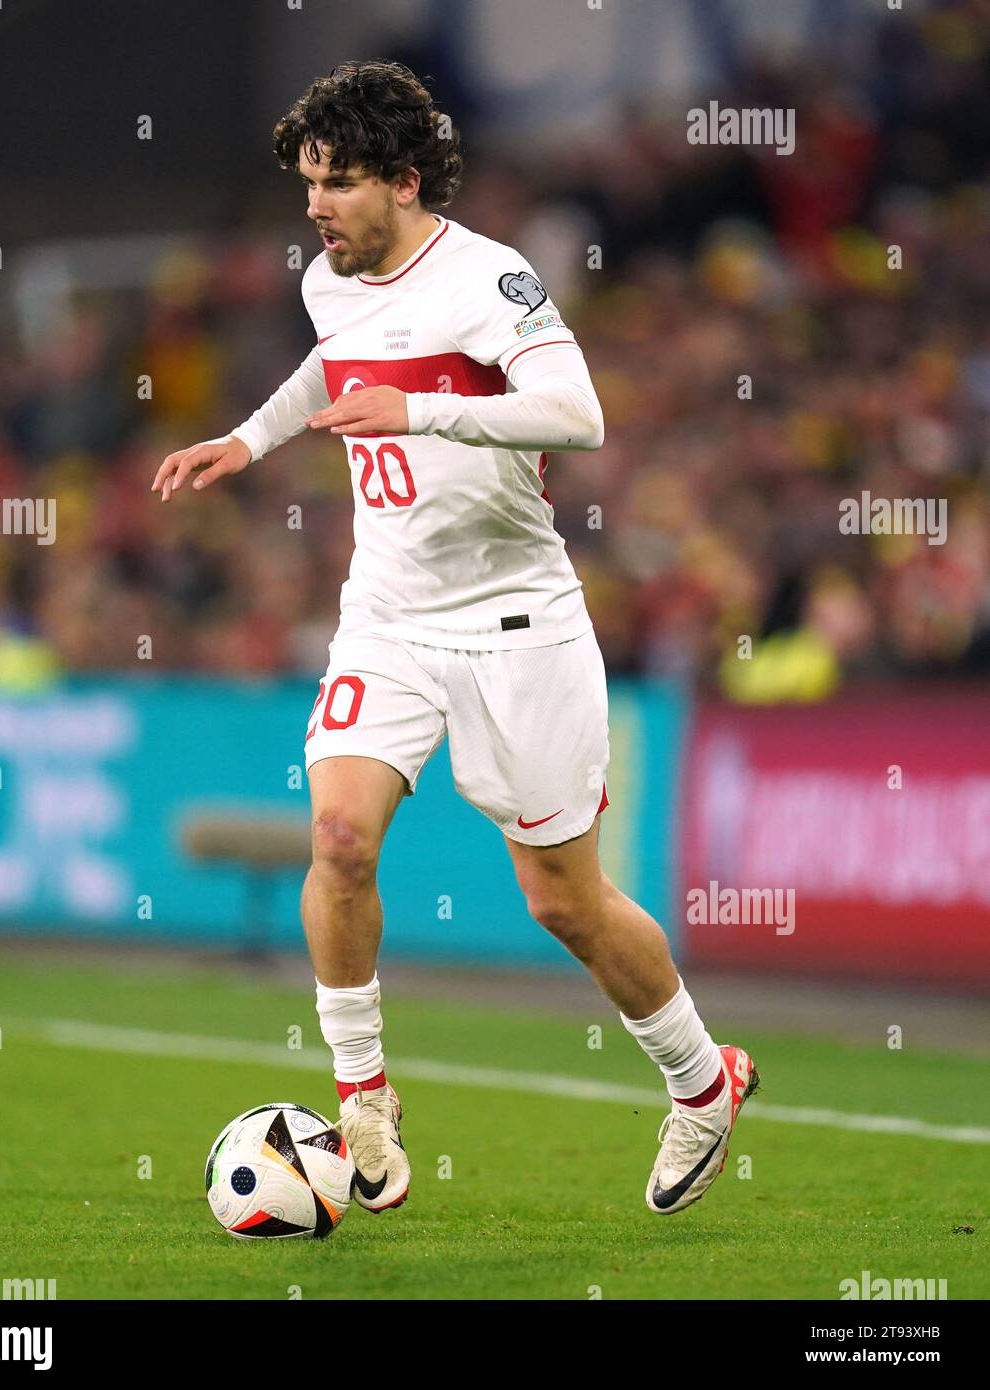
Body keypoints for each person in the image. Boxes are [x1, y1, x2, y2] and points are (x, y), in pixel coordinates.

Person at [151, 60, 758, 1221]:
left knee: (562, 901)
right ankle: (365, 1095)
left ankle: (701, 1078)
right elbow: (334, 362)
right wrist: (249, 437)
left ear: (405, 180)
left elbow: (577, 414)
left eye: (336, 184)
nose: (316, 207)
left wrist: (425, 408)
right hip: (386, 612)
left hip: (517, 624)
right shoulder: (332, 279)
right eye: (308, 186)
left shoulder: (493, 279)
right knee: (337, 835)